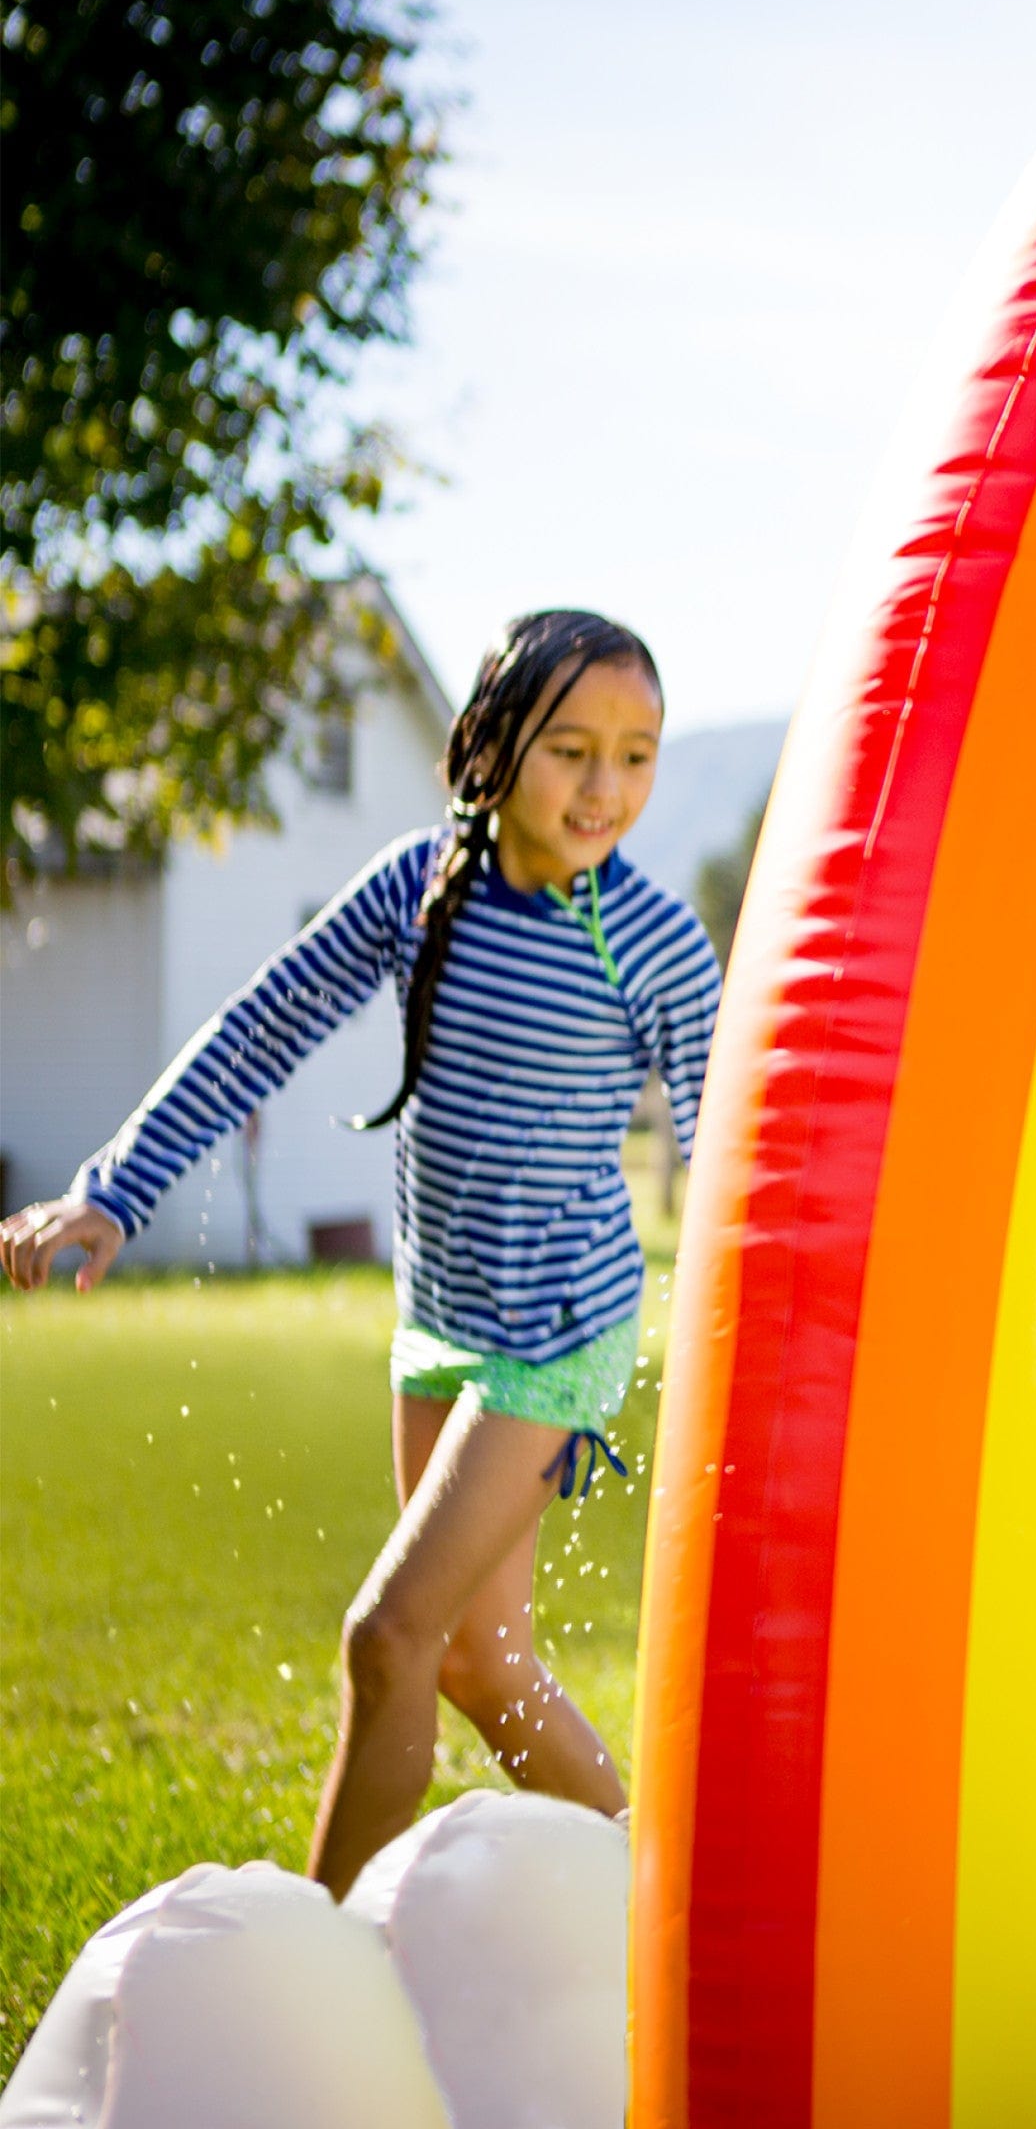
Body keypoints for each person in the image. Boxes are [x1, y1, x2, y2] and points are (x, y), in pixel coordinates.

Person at [1, 608, 722, 1897]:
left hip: (561, 1335)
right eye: (571, 750)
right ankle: (672, 1907)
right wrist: (115, 1192)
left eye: (637, 754)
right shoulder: (416, 889)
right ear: (494, 744)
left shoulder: (653, 940)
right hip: (442, 1315)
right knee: (479, 1666)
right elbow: (259, 1026)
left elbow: (738, 1143)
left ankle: (317, 1962)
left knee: (387, 1639)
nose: (606, 788)